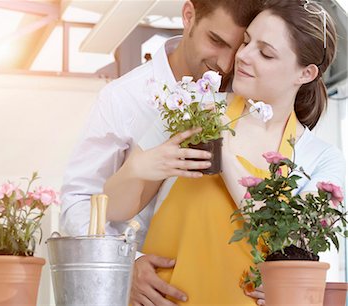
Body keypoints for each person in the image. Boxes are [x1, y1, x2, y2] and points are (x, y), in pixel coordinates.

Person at [107, 0, 345, 305]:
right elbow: (112, 209)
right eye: (246, 41)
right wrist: (136, 168)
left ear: (306, 73)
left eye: (266, 53)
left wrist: (223, 151)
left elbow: (288, 254)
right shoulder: (193, 108)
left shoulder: (320, 159)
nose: (243, 56)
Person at [60, 0, 264, 305]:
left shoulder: (245, 99)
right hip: (151, 292)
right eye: (215, 41)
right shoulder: (124, 98)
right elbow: (77, 202)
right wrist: (124, 265)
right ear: (188, 15)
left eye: (235, 50)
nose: (224, 63)